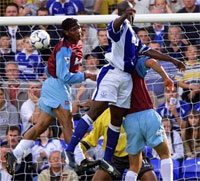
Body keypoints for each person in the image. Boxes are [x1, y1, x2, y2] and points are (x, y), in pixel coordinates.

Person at [65, 1, 185, 178]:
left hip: (127, 102)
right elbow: (114, 27)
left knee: (115, 122)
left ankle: (106, 160)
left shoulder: (133, 38)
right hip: (114, 76)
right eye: (129, 11)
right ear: (122, 12)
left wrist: (173, 61)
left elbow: (150, 53)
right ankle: (70, 150)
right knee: (95, 111)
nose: (133, 14)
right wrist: (124, 16)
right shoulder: (118, 26)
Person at [5, 18, 99, 175]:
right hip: (57, 87)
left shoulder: (76, 44)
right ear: (67, 32)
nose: (79, 31)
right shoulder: (64, 49)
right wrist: (87, 76)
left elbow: (53, 70)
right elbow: (64, 76)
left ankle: (14, 154)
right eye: (75, 29)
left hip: (52, 85)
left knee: (41, 126)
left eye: (79, 28)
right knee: (68, 124)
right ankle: (80, 160)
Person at [80, 109, 157, 181]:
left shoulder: (134, 111)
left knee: (150, 178)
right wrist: (76, 151)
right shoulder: (103, 116)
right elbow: (90, 139)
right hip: (113, 157)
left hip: (135, 154)